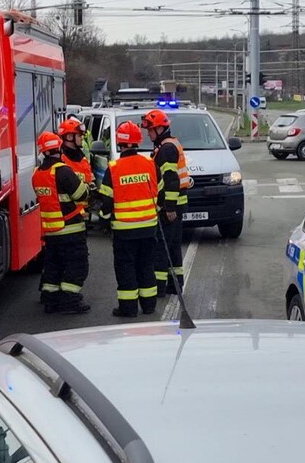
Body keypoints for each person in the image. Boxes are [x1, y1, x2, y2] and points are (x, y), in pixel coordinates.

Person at [98, 121, 160, 317]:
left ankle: (128, 308)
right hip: (149, 227)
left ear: (120, 143)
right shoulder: (150, 164)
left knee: (126, 267)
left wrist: (103, 220)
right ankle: (149, 306)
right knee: (146, 265)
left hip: (124, 230)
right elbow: (162, 189)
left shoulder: (114, 168)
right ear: (137, 142)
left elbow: (106, 201)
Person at [32, 131, 91, 315]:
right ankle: (70, 301)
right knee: (76, 265)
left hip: (51, 231)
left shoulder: (38, 173)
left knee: (53, 266)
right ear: (58, 147)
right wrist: (88, 188)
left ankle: (51, 300)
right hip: (70, 228)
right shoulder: (63, 171)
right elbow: (81, 194)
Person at [141, 109, 191, 297]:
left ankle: (160, 287)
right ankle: (175, 283)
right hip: (177, 203)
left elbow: (171, 180)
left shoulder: (167, 149)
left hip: (170, 205)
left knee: (162, 247)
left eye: (151, 129)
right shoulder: (169, 145)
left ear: (160, 129)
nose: (148, 133)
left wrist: (169, 208)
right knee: (173, 245)